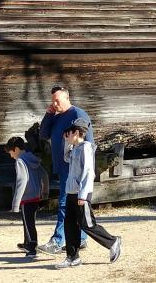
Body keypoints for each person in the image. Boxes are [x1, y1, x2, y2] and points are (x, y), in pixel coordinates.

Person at [55, 118, 122, 269]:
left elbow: (88, 172)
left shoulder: (85, 148)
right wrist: (67, 142)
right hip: (72, 192)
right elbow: (66, 159)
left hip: (81, 194)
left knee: (87, 224)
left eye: (69, 133)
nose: (67, 136)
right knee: (70, 225)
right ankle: (73, 257)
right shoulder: (75, 148)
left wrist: (83, 195)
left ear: (77, 132)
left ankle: (113, 242)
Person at [39, 86, 94, 254]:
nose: (55, 104)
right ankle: (82, 238)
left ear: (67, 98)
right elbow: (43, 134)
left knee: (64, 203)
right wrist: (48, 115)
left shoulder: (78, 115)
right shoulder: (56, 116)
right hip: (62, 167)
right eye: (53, 101)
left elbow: (89, 144)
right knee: (73, 204)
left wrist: (83, 170)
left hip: (73, 169)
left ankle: (57, 241)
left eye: (58, 100)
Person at [5, 136, 47, 257]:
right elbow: (44, 175)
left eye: (11, 152)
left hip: (27, 197)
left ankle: (32, 247)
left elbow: (21, 182)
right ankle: (27, 242)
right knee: (29, 221)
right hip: (36, 195)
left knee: (28, 223)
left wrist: (15, 203)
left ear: (16, 149)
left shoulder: (20, 161)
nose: (11, 156)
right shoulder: (32, 158)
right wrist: (45, 192)